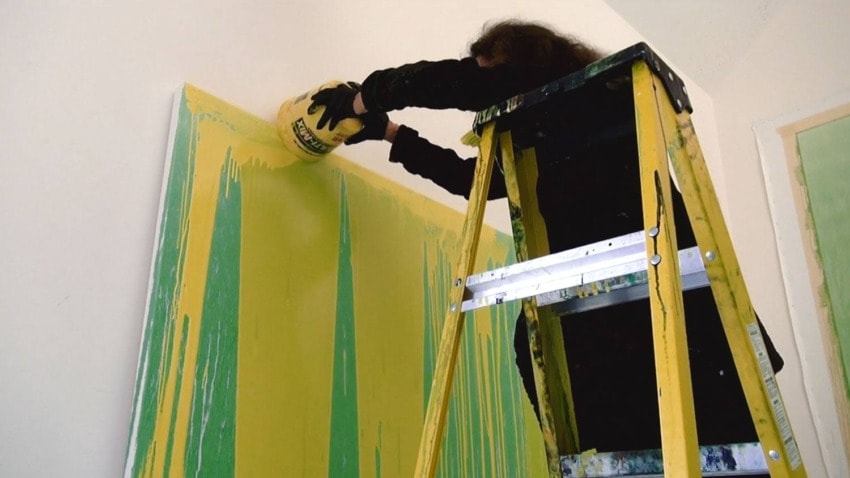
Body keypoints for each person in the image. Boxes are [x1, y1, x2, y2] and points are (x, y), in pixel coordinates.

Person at [310, 19, 785, 453]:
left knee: (702, 423)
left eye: (487, 67)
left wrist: (362, 98)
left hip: (660, 288)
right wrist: (391, 133)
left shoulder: (594, 91)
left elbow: (453, 82)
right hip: (616, 298)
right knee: (543, 347)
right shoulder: (553, 135)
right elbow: (470, 179)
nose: (490, 90)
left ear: (519, 60)